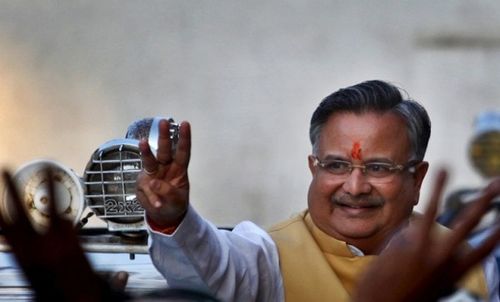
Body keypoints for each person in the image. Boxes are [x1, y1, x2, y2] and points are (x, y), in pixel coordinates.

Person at [136, 80, 500, 301]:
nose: (355, 187)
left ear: (417, 180)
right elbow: (208, 273)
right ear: (314, 168)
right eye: (336, 165)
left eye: (378, 168)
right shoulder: (268, 257)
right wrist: (174, 219)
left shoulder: (470, 264)